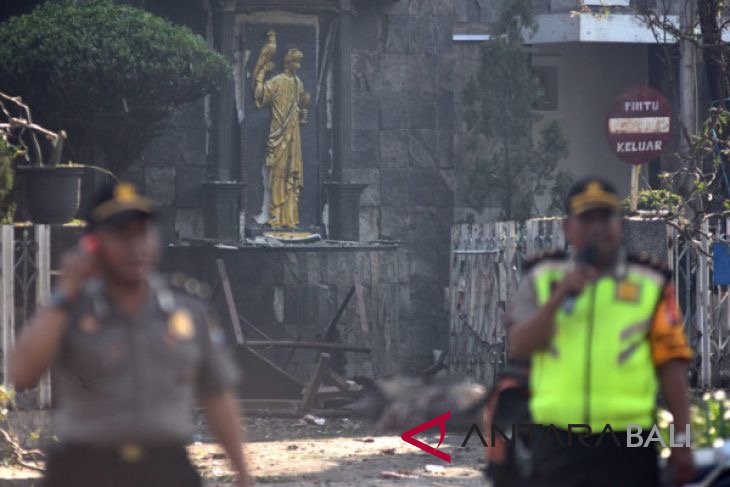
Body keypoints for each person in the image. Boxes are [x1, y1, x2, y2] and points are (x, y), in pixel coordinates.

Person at [9, 182, 253, 487]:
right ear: (94, 244)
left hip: (166, 470)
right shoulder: (71, 311)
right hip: (85, 471)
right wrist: (65, 293)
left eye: (142, 232)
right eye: (122, 235)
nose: (136, 246)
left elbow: (217, 396)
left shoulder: (188, 311)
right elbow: (21, 374)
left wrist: (244, 475)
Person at [505, 177, 695, 487]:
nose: (597, 227)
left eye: (605, 217)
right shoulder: (541, 279)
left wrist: (682, 441)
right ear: (568, 227)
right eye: (586, 218)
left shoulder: (651, 284)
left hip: (630, 443)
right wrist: (559, 297)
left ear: (618, 225)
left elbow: (671, 366)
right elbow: (520, 346)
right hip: (556, 441)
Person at [254, 46, 309, 228]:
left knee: (292, 173)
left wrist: (302, 112)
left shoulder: (298, 82)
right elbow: (260, 95)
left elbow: (300, 105)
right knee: (278, 173)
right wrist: (261, 75)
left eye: (300, 62)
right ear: (287, 62)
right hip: (278, 133)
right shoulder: (277, 81)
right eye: (296, 61)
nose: (298, 66)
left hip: (294, 134)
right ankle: (276, 214)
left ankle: (290, 217)